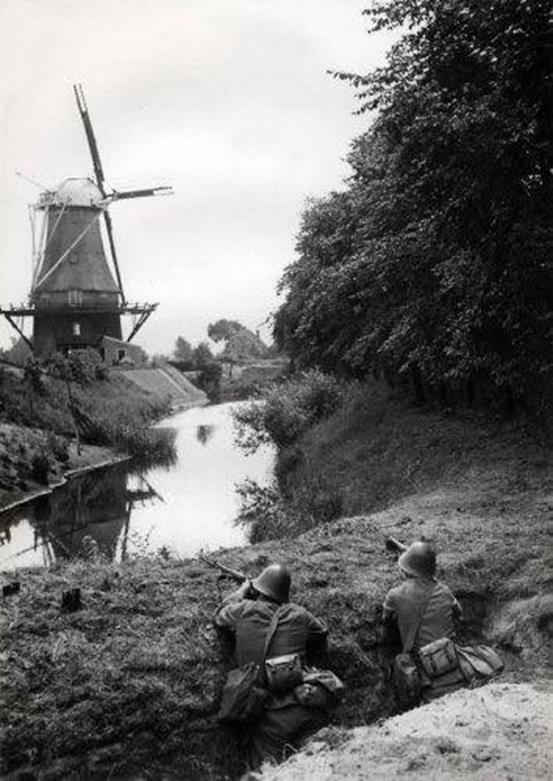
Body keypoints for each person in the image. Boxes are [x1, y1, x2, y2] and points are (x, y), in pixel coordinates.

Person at [215, 563, 329, 770]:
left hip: (273, 720)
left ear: (257, 590)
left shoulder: (242, 610)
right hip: (309, 704)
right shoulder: (300, 614)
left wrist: (241, 591)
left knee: (264, 770)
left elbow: (220, 613)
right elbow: (321, 631)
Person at [382, 540, 465, 704]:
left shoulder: (395, 595)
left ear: (407, 570)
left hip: (422, 668)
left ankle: (407, 702)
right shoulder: (445, 591)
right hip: (450, 660)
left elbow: (386, 621)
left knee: (399, 661)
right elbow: (460, 615)